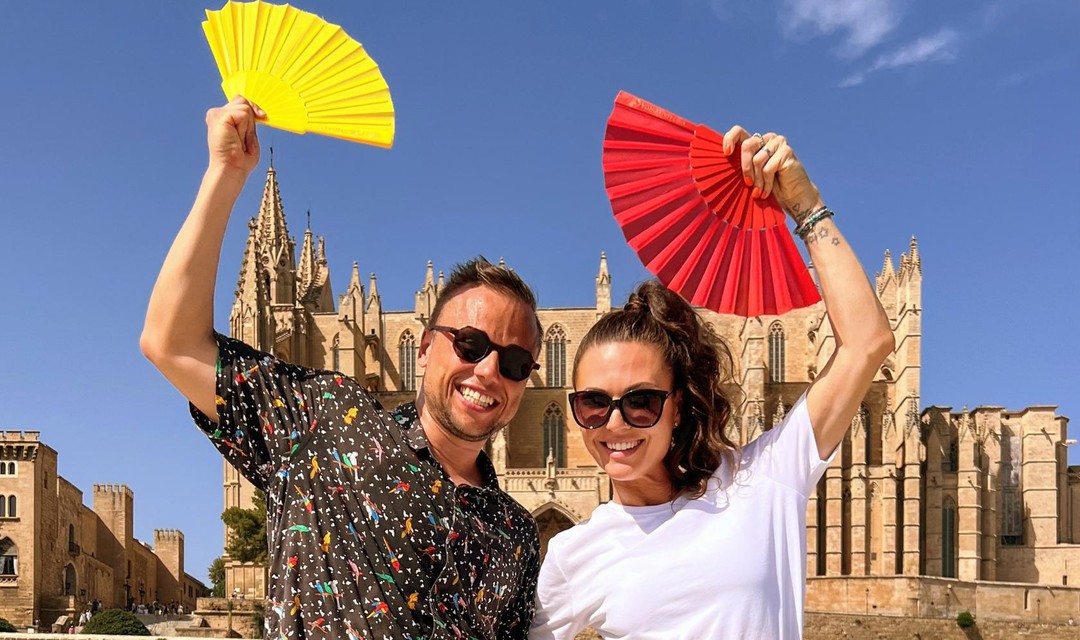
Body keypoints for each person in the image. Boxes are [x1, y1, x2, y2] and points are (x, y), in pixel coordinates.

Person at [141, 97, 543, 639]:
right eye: (470, 344)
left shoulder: (515, 534)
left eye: (516, 362)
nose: (490, 370)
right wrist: (224, 175)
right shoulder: (326, 423)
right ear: (423, 346)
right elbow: (171, 342)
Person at [530, 126, 895, 639]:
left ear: (677, 405)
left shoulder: (761, 479)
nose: (614, 422)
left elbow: (867, 342)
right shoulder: (572, 556)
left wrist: (805, 203)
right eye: (592, 403)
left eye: (640, 401)